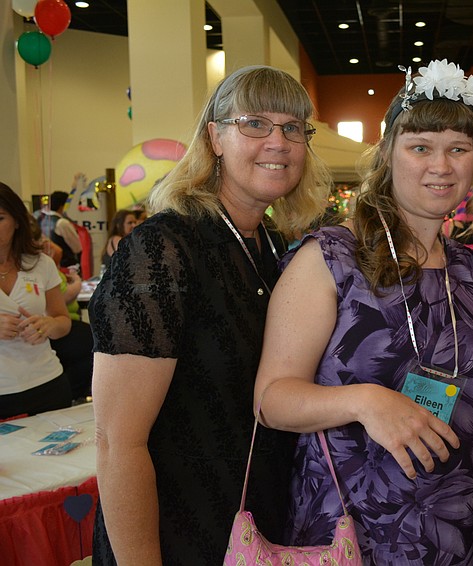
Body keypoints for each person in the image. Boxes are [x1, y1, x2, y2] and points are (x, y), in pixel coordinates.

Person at [254, 60, 473, 564]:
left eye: (458, 149)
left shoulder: (471, 269)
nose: (442, 166)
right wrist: (367, 402)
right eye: (420, 148)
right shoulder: (330, 258)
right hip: (349, 531)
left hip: (455, 530)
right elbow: (271, 401)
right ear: (389, 155)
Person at [89, 65, 332, 564]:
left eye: (292, 128)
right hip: (175, 531)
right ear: (215, 137)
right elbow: (118, 444)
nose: (278, 141)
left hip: (252, 521)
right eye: (255, 124)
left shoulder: (271, 246)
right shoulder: (163, 250)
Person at [0, 182, 72, 420]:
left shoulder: (41, 263)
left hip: (47, 383)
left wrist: (49, 325)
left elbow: (63, 321)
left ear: (17, 221)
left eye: (0, 218)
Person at [31, 218, 93, 402]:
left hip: (54, 333)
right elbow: (64, 298)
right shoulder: (44, 264)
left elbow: (60, 319)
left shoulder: (44, 265)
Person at [35, 189, 84, 269]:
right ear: (62, 206)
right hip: (65, 267)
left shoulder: (39, 219)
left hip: (44, 265)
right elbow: (77, 248)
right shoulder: (62, 223)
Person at [99, 208, 138, 273]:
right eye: (130, 223)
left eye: (135, 222)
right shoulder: (117, 239)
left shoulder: (116, 239)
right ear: (119, 225)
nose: (134, 225)